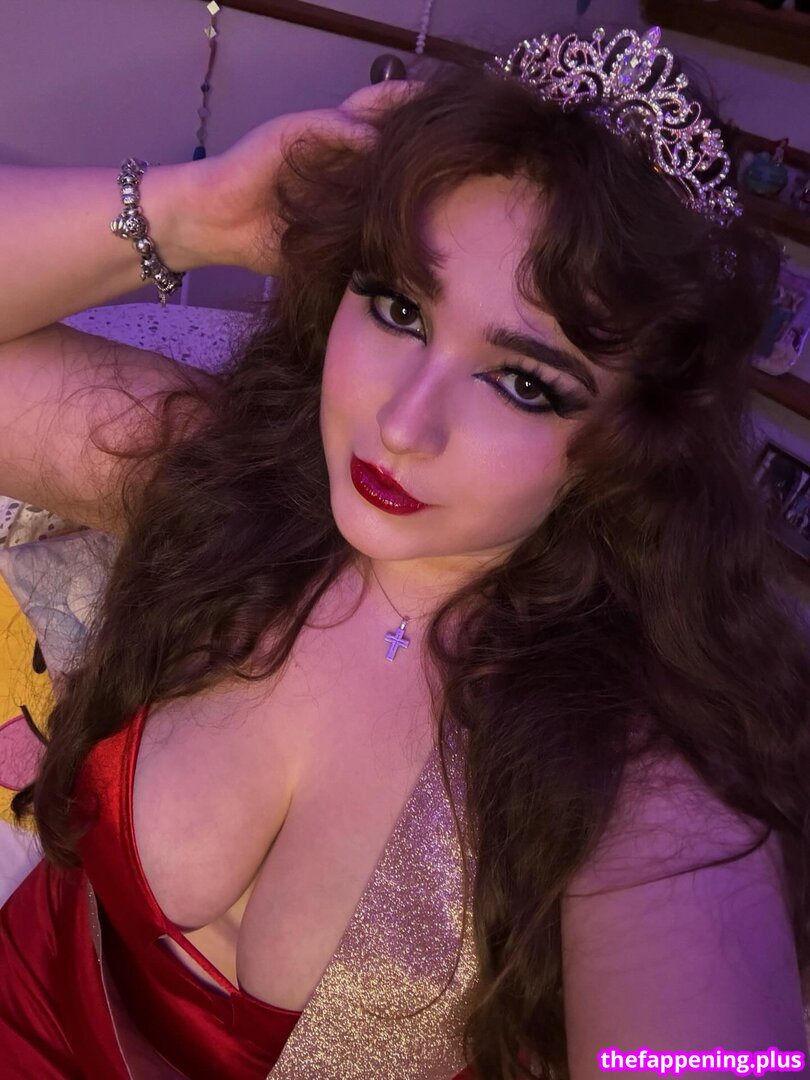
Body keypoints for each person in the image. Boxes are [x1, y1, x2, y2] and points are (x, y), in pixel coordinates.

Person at [0, 21, 809, 1080]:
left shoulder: (642, 786)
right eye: (397, 306)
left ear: (632, 443)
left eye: (524, 384)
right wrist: (196, 211)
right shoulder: (225, 478)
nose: (402, 424)